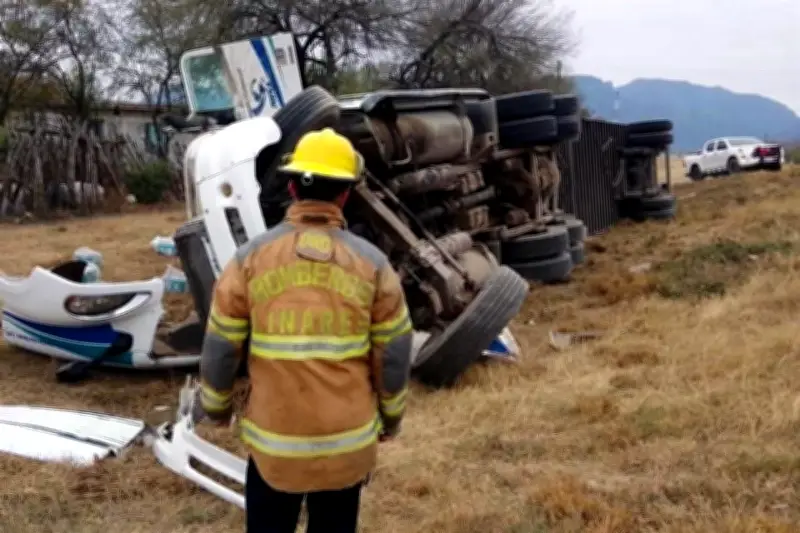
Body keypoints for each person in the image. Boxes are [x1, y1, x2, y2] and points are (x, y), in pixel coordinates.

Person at [195, 127, 414, 533]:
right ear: (345, 194)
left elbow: (221, 346)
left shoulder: (248, 260)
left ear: (293, 188)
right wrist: (392, 418)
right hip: (347, 447)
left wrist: (216, 408)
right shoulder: (374, 265)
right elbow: (396, 352)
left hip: (273, 448)